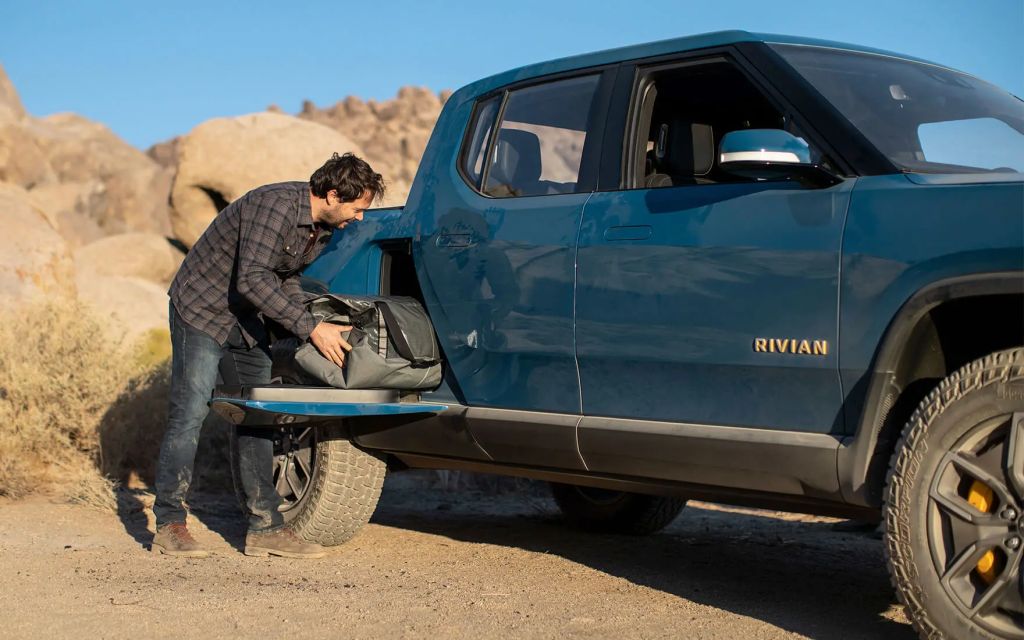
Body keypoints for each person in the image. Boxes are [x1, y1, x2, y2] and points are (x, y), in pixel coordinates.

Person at [151, 152, 385, 558]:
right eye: (357, 207)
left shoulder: (321, 228)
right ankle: (170, 524)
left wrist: (314, 324)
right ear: (332, 194)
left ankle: (265, 528)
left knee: (257, 414)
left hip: (246, 320)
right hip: (202, 312)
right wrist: (310, 328)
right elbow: (253, 277)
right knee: (189, 415)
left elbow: (286, 278)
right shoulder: (273, 206)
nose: (360, 218)